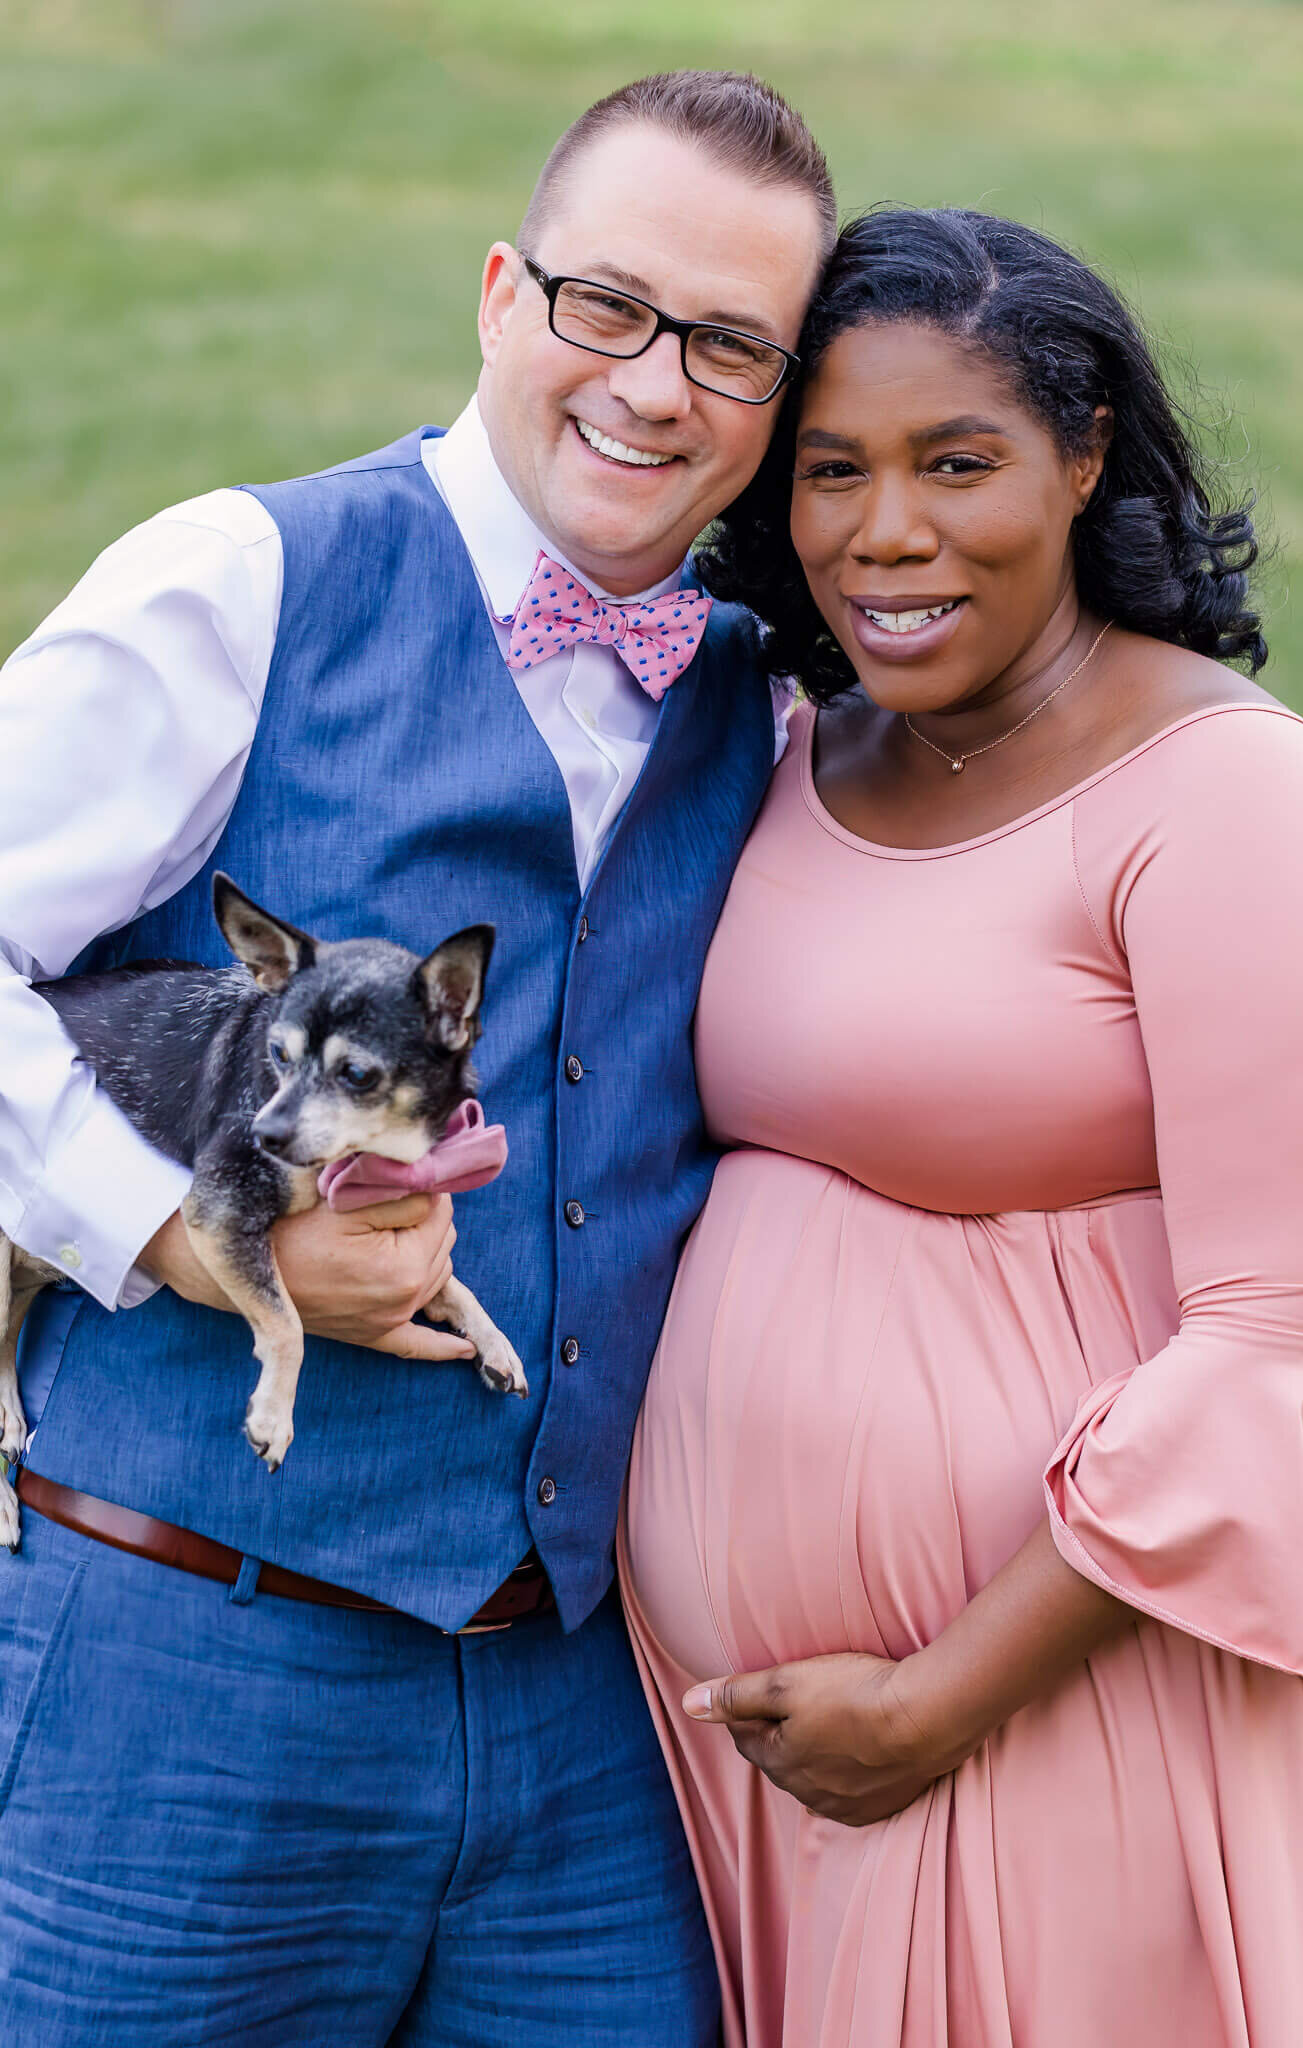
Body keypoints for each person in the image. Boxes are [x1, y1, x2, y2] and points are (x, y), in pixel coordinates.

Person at [0, 72, 832, 2045]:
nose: (649, 385)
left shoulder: (770, 702)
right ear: (496, 294)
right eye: (603, 305)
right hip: (183, 1671)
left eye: (727, 344)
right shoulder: (243, 582)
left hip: (587, 1729)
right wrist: (188, 1241)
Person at [619, 207, 1303, 2047]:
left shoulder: (1222, 791)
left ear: (1082, 454)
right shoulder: (796, 747)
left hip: (1064, 1703)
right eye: (830, 472)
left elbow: (1297, 1335)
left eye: (958, 464)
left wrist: (943, 1694)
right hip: (757, 1757)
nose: (887, 534)